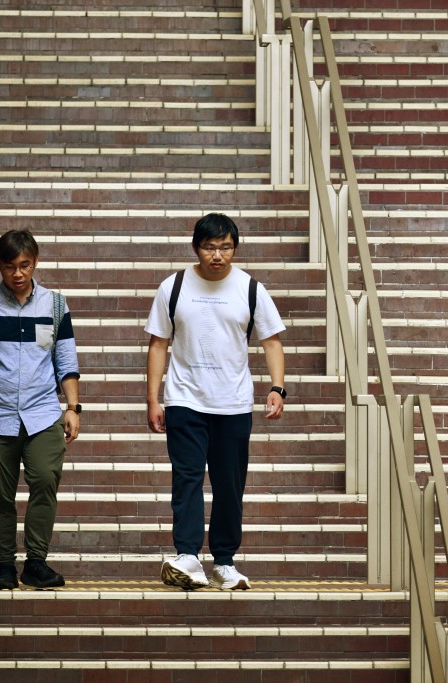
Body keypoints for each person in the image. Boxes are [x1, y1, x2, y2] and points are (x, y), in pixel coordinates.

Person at [145, 213, 286, 591]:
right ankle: (188, 556)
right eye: (210, 247)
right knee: (187, 478)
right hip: (185, 399)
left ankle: (224, 562)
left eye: (225, 247)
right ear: (196, 248)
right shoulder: (173, 286)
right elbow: (158, 344)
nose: (218, 255)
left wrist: (277, 387)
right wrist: (153, 399)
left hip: (234, 403)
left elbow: (271, 341)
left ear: (234, 249)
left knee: (229, 484)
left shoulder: (250, 288)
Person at [0, 230, 81, 590]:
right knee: (0, 494)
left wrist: (73, 407)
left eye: (24, 265)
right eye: (10, 267)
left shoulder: (55, 305)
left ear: (35, 261)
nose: (18, 274)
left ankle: (36, 562)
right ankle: (5, 565)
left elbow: (65, 359)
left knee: (44, 479)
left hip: (43, 413)